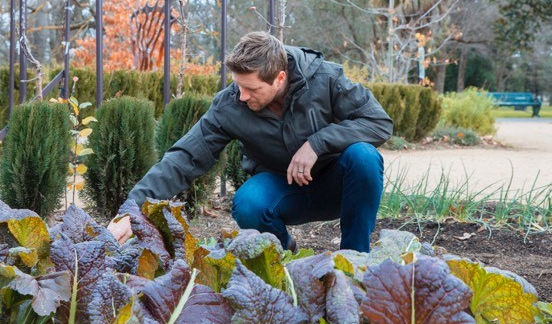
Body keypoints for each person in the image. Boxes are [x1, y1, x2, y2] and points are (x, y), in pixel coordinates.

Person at [108, 31, 393, 253]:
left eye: (251, 88)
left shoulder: (326, 79)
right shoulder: (230, 105)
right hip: (284, 191)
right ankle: (285, 252)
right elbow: (184, 158)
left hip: (338, 186)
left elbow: (379, 123)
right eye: (238, 85)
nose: (242, 96)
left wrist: (318, 143)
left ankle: (355, 260)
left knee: (364, 157)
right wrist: (132, 211)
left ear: (280, 78)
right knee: (247, 203)